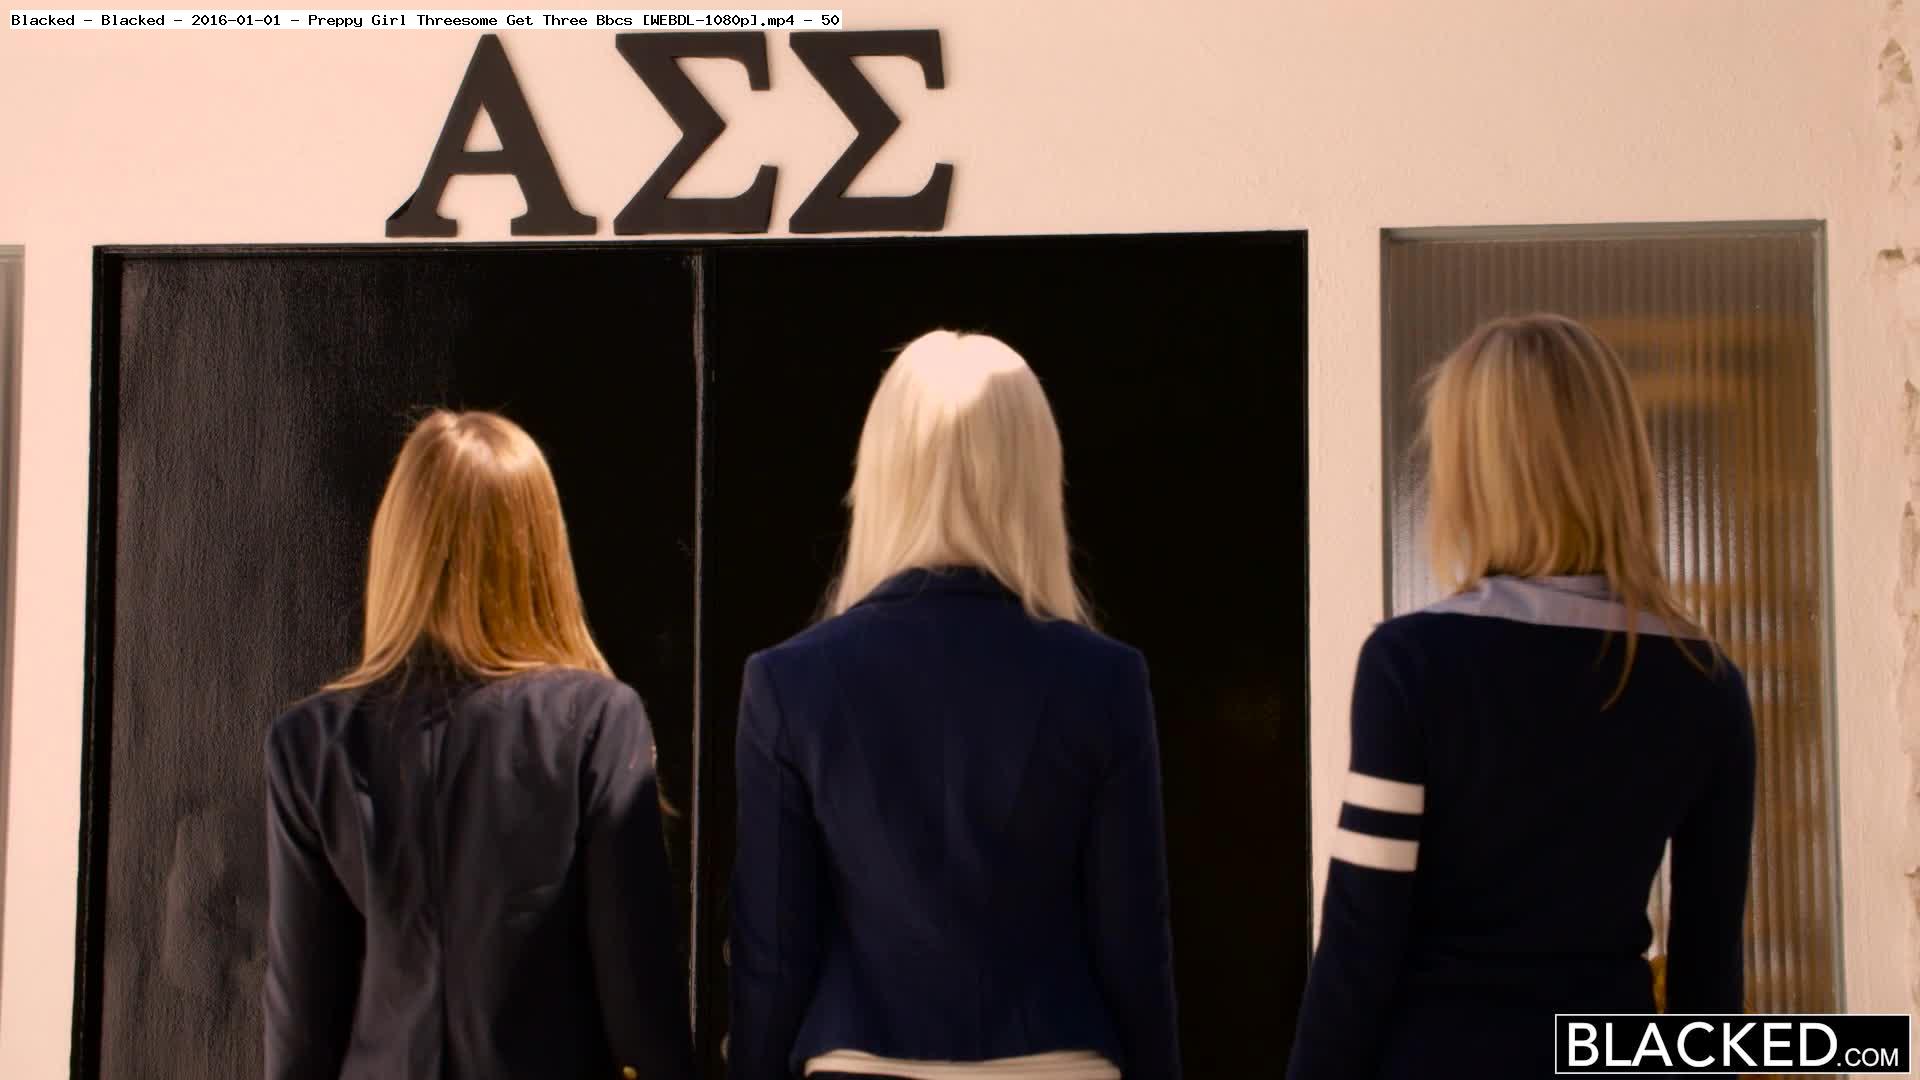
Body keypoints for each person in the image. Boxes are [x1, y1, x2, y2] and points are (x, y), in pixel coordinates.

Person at [1285, 314, 1756, 1078]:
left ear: (1475, 473)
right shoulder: (1706, 684)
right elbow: (1709, 980)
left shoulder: (1412, 664)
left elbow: (1360, 939)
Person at [727, 331, 1182, 1080]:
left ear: (882, 474)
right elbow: (1134, 942)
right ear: (1034, 475)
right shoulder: (1105, 678)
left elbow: (772, 955)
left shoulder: (787, 681)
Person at [263, 410, 697, 1080]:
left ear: (398, 546)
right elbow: (640, 1014)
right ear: (538, 547)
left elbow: (299, 1034)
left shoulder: (309, 743)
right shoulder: (598, 720)